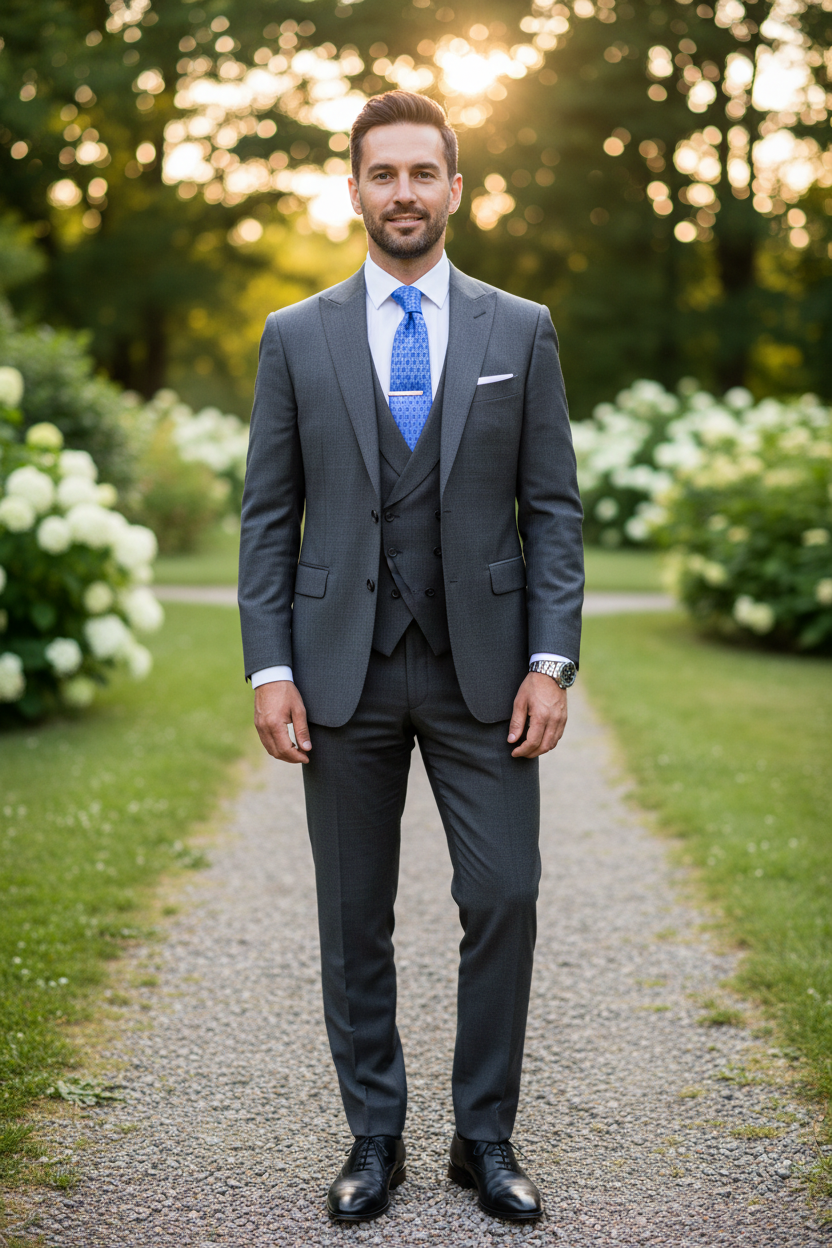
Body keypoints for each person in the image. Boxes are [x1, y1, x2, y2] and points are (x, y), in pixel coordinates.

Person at [238, 89, 584, 1225]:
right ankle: (373, 1135)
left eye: (420, 174)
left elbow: (553, 512)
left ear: (454, 188)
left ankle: (482, 1136)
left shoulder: (518, 329)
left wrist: (551, 659)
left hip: (485, 669)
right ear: (352, 190)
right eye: (380, 175)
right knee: (355, 914)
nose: (401, 194)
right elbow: (265, 517)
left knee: (505, 894)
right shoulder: (295, 336)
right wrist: (269, 667)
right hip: (341, 668)